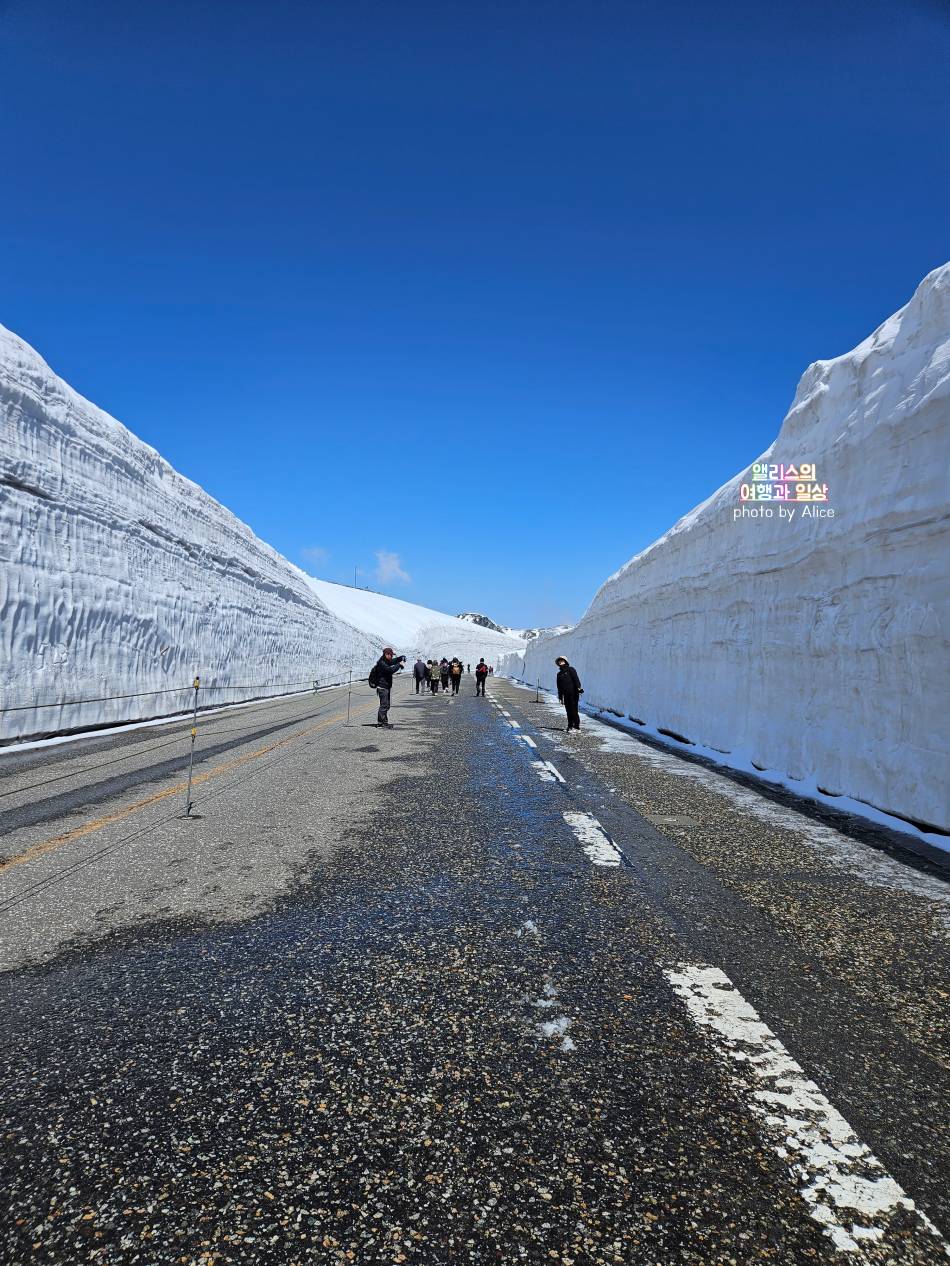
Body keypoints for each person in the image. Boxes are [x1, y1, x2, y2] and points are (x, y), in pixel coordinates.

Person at [372, 647, 406, 727]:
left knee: (386, 705)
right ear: (386, 654)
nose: (392, 657)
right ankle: (381, 723)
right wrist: (399, 664)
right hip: (382, 687)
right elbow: (390, 670)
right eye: (391, 655)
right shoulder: (382, 663)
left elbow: (393, 661)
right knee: (384, 705)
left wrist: (401, 658)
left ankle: (383, 722)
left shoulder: (386, 660)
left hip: (385, 687)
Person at [555, 656, 583, 732]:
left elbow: (576, 679)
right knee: (568, 711)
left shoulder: (571, 669)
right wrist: (560, 697)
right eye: (559, 661)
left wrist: (580, 689)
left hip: (574, 693)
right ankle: (570, 726)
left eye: (562, 660)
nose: (560, 662)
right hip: (566, 695)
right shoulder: (559, 674)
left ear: (565, 661)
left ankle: (577, 727)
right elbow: (559, 686)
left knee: (574, 710)